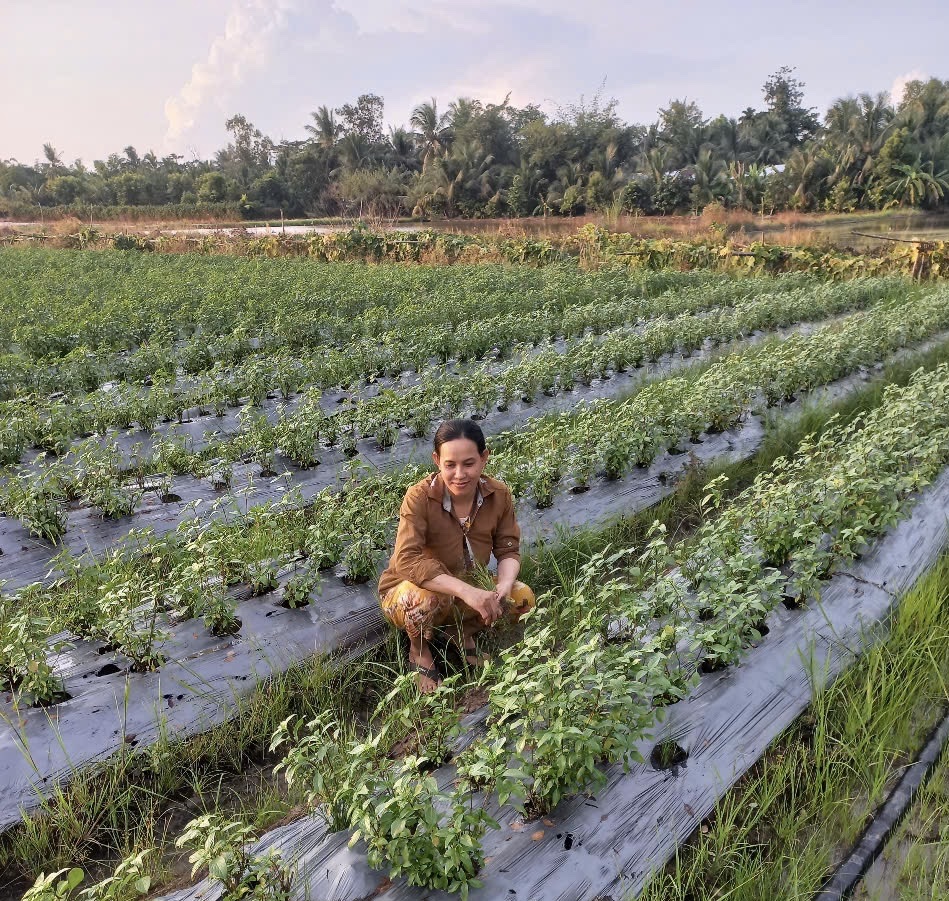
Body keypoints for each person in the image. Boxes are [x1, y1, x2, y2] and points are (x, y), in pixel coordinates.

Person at [378, 419, 535, 691]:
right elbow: (406, 560)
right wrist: (466, 592)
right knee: (420, 602)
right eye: (450, 465)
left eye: (469, 463)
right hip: (414, 587)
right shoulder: (420, 497)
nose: (459, 474)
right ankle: (420, 650)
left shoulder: (498, 495)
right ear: (437, 461)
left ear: (484, 459)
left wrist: (503, 586)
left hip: (467, 581)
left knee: (521, 598)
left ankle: (461, 634)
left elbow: (508, 549)